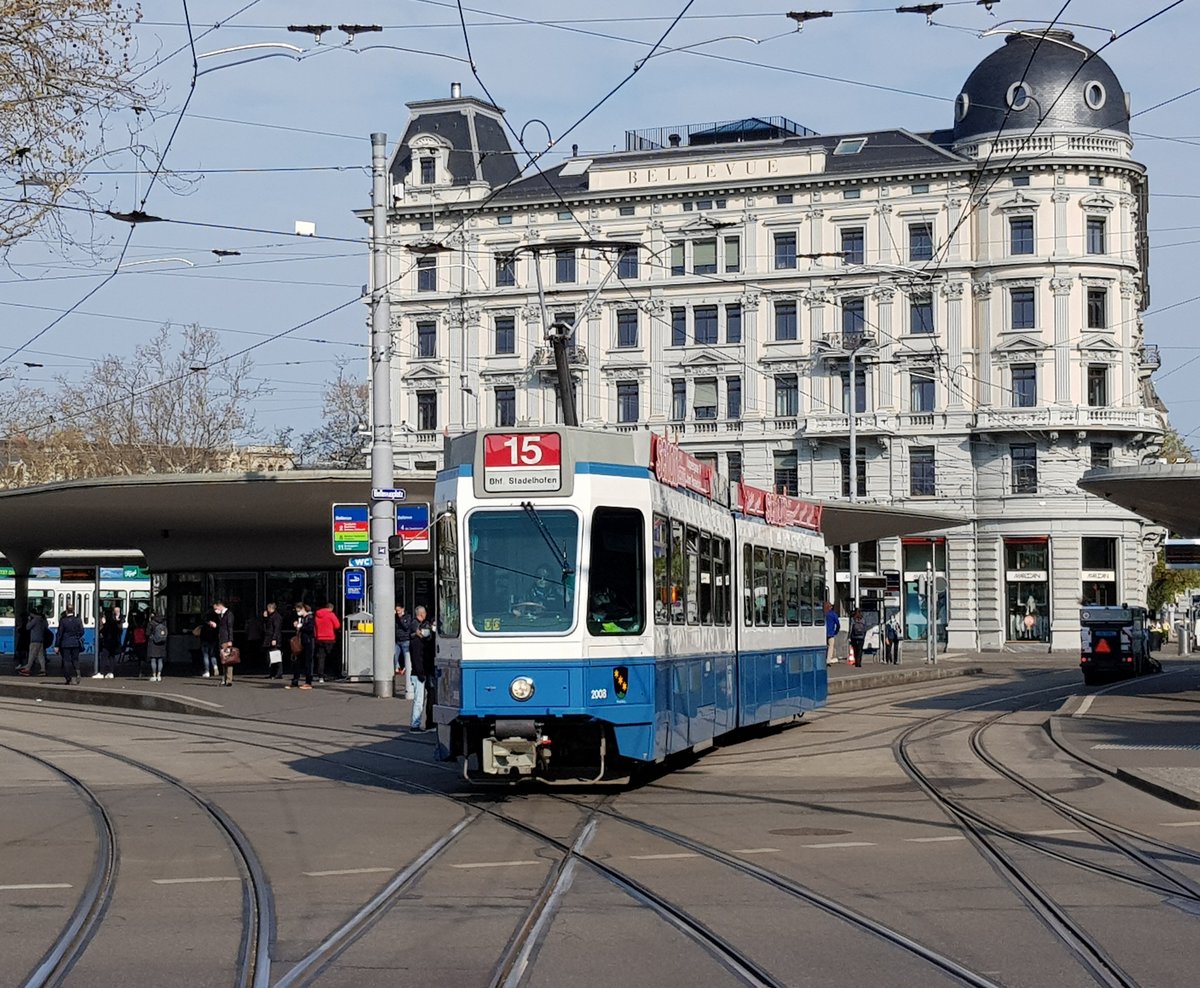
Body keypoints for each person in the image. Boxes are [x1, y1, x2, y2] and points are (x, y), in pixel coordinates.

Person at [408, 605, 436, 732]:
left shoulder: (422, 642)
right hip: (420, 673)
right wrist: (420, 673)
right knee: (419, 700)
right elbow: (417, 659)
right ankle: (415, 725)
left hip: (423, 672)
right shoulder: (416, 642)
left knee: (423, 699)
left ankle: (422, 723)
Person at [286, 603, 316, 690]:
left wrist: (300, 626)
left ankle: (308, 682)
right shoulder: (302, 618)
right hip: (302, 642)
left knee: (308, 663)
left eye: (299, 610)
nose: (297, 612)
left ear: (303, 609)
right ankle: (295, 681)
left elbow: (310, 629)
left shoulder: (310, 618)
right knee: (296, 662)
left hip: (308, 642)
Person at [313, 601, 341, 684]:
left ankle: (320, 676)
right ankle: (335, 673)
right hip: (330, 638)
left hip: (319, 638)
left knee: (321, 658)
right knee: (332, 656)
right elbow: (337, 625)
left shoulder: (317, 615)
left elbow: (315, 627)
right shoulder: (331, 615)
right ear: (331, 608)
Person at [56, 606, 84, 685]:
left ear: (66, 611)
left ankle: (68, 678)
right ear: (73, 611)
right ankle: (78, 673)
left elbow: (59, 634)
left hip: (65, 644)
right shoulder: (78, 620)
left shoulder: (63, 621)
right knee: (75, 659)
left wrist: (57, 645)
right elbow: (82, 631)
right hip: (75, 643)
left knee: (66, 661)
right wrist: (77, 636)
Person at [18, 608, 50, 676]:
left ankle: (27, 669)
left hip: (34, 640)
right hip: (41, 640)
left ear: (32, 614)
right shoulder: (42, 619)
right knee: (41, 656)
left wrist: (29, 620)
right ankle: (43, 669)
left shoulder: (35, 620)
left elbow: (27, 627)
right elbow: (46, 627)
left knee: (31, 655)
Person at [96, 606, 123, 679]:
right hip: (114, 642)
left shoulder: (108, 624)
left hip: (107, 643)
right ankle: (111, 672)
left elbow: (103, 631)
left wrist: (104, 624)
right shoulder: (115, 623)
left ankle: (102, 673)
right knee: (112, 657)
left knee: (104, 657)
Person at [395, 603, 416, 694]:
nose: (397, 612)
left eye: (399, 610)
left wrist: (400, 618)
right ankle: (398, 668)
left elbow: (406, 626)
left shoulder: (407, 617)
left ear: (402, 609)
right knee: (395, 655)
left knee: (407, 657)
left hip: (405, 640)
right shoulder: (395, 617)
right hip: (397, 640)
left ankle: (407, 670)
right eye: (396, 610)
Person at [215, 600, 236, 686]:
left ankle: (228, 679)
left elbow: (230, 627)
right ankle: (224, 678)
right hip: (222, 639)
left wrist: (230, 640)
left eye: (216, 608)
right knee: (223, 660)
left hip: (226, 640)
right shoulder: (221, 615)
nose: (215, 610)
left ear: (220, 606)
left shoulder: (229, 614)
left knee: (228, 660)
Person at [263, 602, 284, 679]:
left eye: (268, 608)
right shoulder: (271, 616)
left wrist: (274, 638)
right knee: (271, 657)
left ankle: (278, 673)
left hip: (274, 638)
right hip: (269, 637)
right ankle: (272, 673)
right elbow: (267, 626)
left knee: (276, 656)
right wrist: (265, 618)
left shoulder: (277, 617)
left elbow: (277, 629)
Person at [125, 612, 149, 678]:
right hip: (143, 643)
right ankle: (142, 671)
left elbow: (130, 636)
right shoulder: (144, 625)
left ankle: (139, 671)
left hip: (136, 643)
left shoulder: (134, 626)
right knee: (143, 658)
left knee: (138, 658)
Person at [198, 607, 220, 678]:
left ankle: (207, 671)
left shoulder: (205, 621)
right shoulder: (217, 619)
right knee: (213, 654)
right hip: (213, 638)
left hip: (205, 639)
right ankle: (215, 666)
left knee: (205, 655)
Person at [147, 612, 169, 682]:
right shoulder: (164, 623)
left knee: (153, 660)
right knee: (160, 660)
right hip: (162, 644)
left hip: (153, 643)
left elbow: (147, 633)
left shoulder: (151, 623)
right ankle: (159, 675)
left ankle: (154, 676)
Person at [823, 601, 841, 667]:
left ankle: (822, 659)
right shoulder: (833, 614)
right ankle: (828, 661)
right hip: (831, 633)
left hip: (823, 633)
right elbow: (838, 624)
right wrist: (836, 631)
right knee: (830, 647)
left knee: (824, 647)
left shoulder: (823, 614)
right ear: (830, 607)